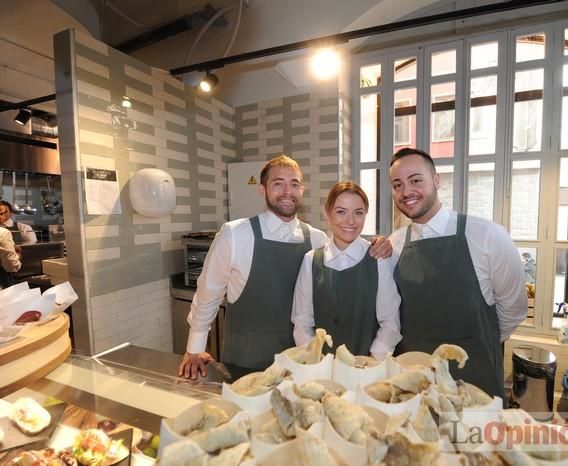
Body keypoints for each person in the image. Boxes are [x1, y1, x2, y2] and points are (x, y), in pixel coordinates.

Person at [179, 155, 391, 379]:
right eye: (278, 183)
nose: (287, 191)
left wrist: (380, 244)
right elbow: (208, 293)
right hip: (247, 358)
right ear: (262, 190)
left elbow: (348, 253)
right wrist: (194, 348)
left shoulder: (317, 240)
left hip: (301, 362)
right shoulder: (235, 234)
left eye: (294, 184)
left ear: (303, 190)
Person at [388, 148, 527, 399]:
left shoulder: (487, 235)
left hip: (475, 378)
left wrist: (477, 343)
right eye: (397, 184)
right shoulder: (394, 245)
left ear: (437, 180)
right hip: (416, 381)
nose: (406, 191)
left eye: (416, 180)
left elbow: (513, 310)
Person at [292, 181, 402, 360]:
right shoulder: (311, 260)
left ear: (366, 214)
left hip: (368, 365)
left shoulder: (378, 259)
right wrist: (314, 359)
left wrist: (371, 360)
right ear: (327, 214)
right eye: (341, 212)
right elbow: (302, 321)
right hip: (321, 366)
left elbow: (390, 323)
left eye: (358, 213)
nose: (350, 221)